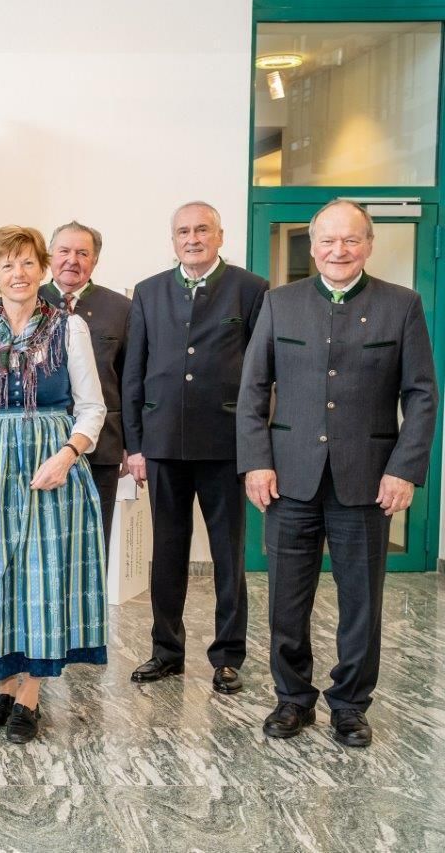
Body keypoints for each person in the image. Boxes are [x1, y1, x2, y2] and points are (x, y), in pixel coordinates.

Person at [239, 199, 437, 747]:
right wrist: (256, 459)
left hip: (367, 480)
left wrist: (405, 470)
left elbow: (421, 396)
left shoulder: (402, 306)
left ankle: (350, 705)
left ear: (368, 245)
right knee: (285, 599)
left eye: (350, 240)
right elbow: (253, 389)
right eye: (327, 240)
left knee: (361, 602)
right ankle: (292, 699)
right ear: (313, 245)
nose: (338, 250)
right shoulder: (279, 304)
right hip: (289, 478)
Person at [0, 225, 107, 744]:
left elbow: (92, 406)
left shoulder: (69, 329)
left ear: (44, 270)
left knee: (41, 578)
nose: (18, 273)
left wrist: (67, 455)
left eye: (28, 263)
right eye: (7, 264)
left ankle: (29, 695)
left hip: (48, 467)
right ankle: (6, 684)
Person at [122, 201, 266, 695]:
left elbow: (262, 373)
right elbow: (133, 374)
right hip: (162, 444)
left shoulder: (251, 290)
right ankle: (166, 651)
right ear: (173, 239)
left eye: (202, 229)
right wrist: (136, 445)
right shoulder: (148, 292)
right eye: (183, 230)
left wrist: (257, 448)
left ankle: (228, 657)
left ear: (220, 236)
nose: (192, 237)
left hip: (226, 444)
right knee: (166, 551)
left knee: (228, 553)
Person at [38, 221, 130, 539]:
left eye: (82, 253)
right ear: (49, 255)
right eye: (64, 251)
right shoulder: (24, 302)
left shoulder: (121, 309)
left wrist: (131, 445)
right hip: (38, 445)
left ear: (95, 260)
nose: (72, 260)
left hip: (101, 446)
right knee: (42, 539)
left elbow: (131, 379)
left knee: (94, 539)